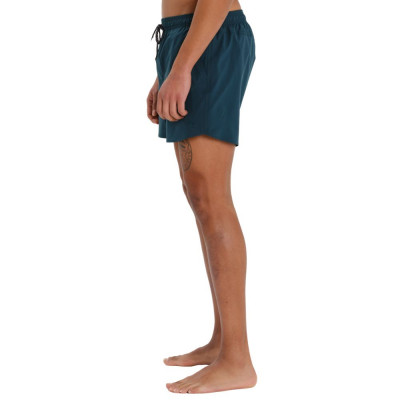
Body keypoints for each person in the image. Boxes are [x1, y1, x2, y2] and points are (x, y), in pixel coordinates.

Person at [146, 0, 256, 394]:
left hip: (207, 36)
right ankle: (222, 341)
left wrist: (180, 68)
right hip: (189, 37)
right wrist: (167, 69)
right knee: (199, 195)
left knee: (211, 199)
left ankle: (237, 360)